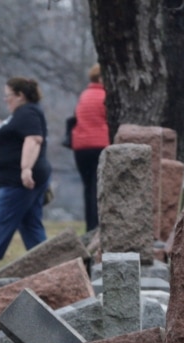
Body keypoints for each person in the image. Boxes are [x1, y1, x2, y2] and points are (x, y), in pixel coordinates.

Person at [0, 77, 51, 262]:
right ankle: (45, 261)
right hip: (18, 180)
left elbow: (34, 139)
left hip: (18, 182)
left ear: (21, 95)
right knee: (30, 223)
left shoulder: (28, 113)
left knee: (3, 220)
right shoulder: (22, 113)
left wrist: (26, 169)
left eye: (8, 95)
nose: (5, 99)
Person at [71, 64, 109, 232]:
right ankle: (98, 227)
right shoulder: (105, 96)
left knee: (88, 188)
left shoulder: (84, 96)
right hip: (100, 145)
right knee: (99, 187)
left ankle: (90, 226)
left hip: (81, 147)